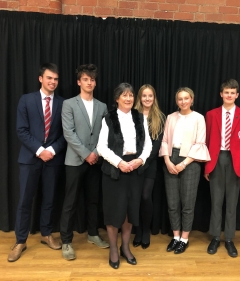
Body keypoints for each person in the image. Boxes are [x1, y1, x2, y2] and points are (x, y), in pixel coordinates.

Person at [8, 63, 66, 262]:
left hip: (53, 160)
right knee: (25, 201)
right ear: (41, 78)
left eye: (56, 79)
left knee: (49, 200)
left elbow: (65, 134)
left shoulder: (62, 103)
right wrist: (40, 150)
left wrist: (51, 150)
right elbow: (21, 130)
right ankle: (20, 241)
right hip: (30, 159)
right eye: (49, 78)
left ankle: (46, 234)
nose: (53, 82)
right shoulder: (26, 100)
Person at [97, 83, 152, 269]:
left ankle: (125, 248)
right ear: (117, 98)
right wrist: (119, 162)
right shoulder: (108, 118)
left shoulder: (140, 117)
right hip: (114, 170)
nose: (128, 99)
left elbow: (148, 145)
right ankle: (113, 249)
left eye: (130, 95)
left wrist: (141, 160)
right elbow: (101, 147)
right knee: (114, 212)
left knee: (130, 211)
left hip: (135, 168)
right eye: (124, 95)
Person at [60, 64, 109, 261]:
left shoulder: (102, 106)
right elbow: (68, 133)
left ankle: (93, 233)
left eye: (92, 80)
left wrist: (95, 153)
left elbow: (105, 134)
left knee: (93, 200)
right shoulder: (69, 104)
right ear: (79, 82)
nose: (90, 83)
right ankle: (66, 240)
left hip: (95, 161)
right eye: (86, 79)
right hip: (74, 160)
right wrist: (85, 154)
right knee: (70, 202)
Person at [204, 79, 240, 257]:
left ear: (237, 95)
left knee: (232, 202)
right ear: (221, 94)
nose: (229, 95)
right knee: (216, 201)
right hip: (216, 160)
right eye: (226, 92)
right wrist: (207, 167)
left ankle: (230, 238)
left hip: (236, 161)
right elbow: (207, 141)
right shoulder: (211, 115)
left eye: (232, 93)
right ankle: (216, 236)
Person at [159, 87, 210, 254]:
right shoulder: (170, 117)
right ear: (176, 101)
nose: (183, 101)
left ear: (192, 99)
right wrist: (167, 160)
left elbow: (200, 143)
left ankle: (184, 238)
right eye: (180, 99)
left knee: (188, 203)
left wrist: (184, 164)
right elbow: (165, 140)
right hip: (171, 158)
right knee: (172, 203)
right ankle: (175, 236)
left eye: (186, 98)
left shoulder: (199, 118)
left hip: (191, 160)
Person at [132, 84, 166, 249]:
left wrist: (143, 163)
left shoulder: (160, 117)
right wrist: (135, 162)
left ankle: (146, 230)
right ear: (139, 97)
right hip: (132, 164)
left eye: (150, 96)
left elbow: (157, 145)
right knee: (135, 198)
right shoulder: (132, 115)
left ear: (154, 98)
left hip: (149, 165)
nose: (147, 99)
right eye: (144, 96)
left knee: (146, 197)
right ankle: (137, 230)